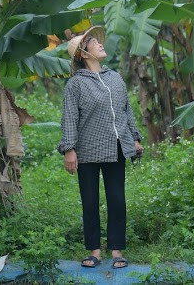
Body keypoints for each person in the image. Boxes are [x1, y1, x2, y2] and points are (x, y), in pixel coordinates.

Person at [57, 26, 144, 270]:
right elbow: (69, 118)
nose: (100, 44)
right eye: (94, 43)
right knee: (90, 202)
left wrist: (135, 137)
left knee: (117, 199)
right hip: (87, 151)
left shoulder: (115, 78)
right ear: (84, 54)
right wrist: (69, 149)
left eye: (98, 42)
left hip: (116, 148)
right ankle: (94, 251)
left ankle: (116, 249)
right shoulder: (75, 85)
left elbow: (126, 110)